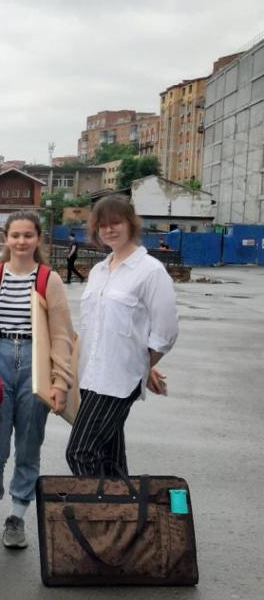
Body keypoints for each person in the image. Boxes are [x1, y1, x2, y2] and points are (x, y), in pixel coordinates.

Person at [0, 211, 75, 549]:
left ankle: (17, 515)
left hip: (34, 363)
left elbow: (62, 335)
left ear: (38, 238)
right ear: (6, 239)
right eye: (15, 235)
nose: (21, 241)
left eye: (28, 235)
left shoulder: (48, 279)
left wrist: (60, 381)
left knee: (28, 443)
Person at [66, 196, 178, 477]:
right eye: (102, 225)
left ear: (131, 224)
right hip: (90, 376)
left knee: (80, 452)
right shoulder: (98, 271)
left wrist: (144, 365)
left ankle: (95, 507)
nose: (109, 230)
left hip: (118, 381)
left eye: (115, 222)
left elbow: (165, 332)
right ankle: (125, 504)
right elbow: (94, 328)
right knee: (109, 458)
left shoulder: (150, 271)